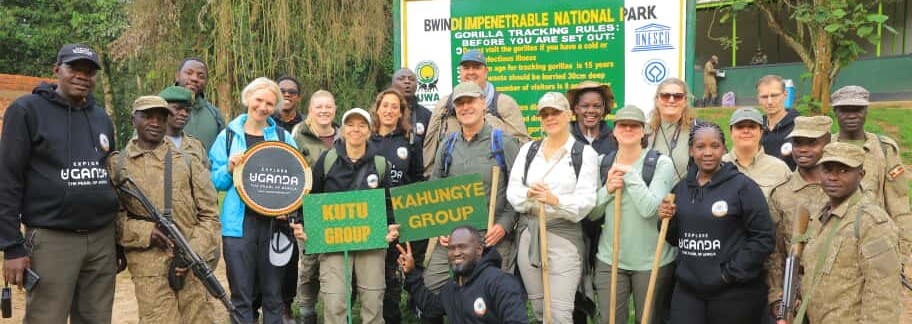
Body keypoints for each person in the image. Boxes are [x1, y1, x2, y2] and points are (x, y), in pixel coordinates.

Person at [0, 43, 120, 323]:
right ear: (57, 70)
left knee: (96, 318)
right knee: (46, 318)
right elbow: (7, 180)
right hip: (52, 239)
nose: (82, 75)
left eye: (89, 71)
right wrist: (11, 246)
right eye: (74, 68)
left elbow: (111, 176)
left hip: (101, 238)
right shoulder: (27, 111)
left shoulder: (101, 117)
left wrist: (117, 242)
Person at [109, 96, 221, 323]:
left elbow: (210, 214)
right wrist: (145, 231)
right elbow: (112, 219)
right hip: (148, 266)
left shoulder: (188, 160)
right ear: (133, 120)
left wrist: (193, 253)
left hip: (190, 262)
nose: (155, 123)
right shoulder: (118, 165)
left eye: (161, 118)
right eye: (147, 117)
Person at [422, 82, 521, 324]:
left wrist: (504, 226)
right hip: (453, 240)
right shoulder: (447, 145)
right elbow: (434, 194)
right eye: (460, 103)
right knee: (432, 289)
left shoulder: (503, 143)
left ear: (483, 104)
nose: (465, 107)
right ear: (455, 109)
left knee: (492, 299)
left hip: (491, 237)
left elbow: (518, 192)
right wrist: (441, 229)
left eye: (470, 101)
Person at [657, 121, 774, 324]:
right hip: (688, 291)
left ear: (724, 148)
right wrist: (665, 219)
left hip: (732, 292)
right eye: (700, 147)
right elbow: (675, 238)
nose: (708, 152)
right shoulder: (681, 189)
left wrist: (728, 274)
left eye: (715, 145)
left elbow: (763, 237)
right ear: (691, 151)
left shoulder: (743, 187)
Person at [209, 77, 298, 324]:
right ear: (248, 98)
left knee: (273, 296)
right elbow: (214, 182)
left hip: (274, 226)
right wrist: (228, 168)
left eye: (270, 103)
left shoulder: (283, 137)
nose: (263, 107)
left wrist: (288, 210)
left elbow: (297, 179)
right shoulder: (227, 137)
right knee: (241, 296)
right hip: (238, 226)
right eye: (259, 99)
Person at [507, 92, 598, 323]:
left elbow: (586, 202)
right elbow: (513, 192)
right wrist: (529, 194)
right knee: (539, 310)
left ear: (569, 114)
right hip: (529, 235)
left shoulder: (584, 153)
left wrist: (554, 200)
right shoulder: (528, 151)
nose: (550, 117)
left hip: (563, 236)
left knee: (558, 314)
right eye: (544, 114)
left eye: (555, 112)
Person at [307, 107, 401, 323]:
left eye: (362, 125)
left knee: (372, 300)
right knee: (335, 302)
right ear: (343, 129)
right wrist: (305, 225)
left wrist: (390, 227)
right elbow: (312, 198)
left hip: (372, 240)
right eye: (350, 124)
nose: (355, 129)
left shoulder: (380, 164)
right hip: (334, 242)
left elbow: (389, 204)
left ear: (369, 131)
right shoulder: (327, 160)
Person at [791, 142, 901, 323]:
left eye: (843, 171)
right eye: (827, 170)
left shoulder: (872, 223)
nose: (833, 177)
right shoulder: (820, 217)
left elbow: (884, 295)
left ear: (861, 175)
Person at [829, 85, 912, 320]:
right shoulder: (826, 149)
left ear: (866, 111)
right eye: (845, 110)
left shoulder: (883, 150)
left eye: (858, 109)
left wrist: (903, 254)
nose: (852, 115)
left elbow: (899, 205)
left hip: (876, 245)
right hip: (836, 251)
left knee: (879, 309)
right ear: (836, 112)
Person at [588, 105, 676, 324]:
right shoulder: (602, 163)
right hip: (610, 260)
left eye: (634, 125)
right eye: (622, 125)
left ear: (644, 131)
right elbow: (592, 213)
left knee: (648, 320)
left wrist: (629, 174)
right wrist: (607, 189)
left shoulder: (660, 163)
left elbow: (650, 209)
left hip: (652, 261)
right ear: (614, 132)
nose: (628, 129)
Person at [423, 49, 531, 179]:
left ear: (486, 71)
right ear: (460, 72)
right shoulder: (444, 105)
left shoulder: (504, 103)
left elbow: (523, 148)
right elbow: (429, 148)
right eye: (466, 68)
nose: (471, 72)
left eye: (476, 67)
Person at [766, 116, 833, 319]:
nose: (803, 149)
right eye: (797, 143)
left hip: (837, 296)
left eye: (812, 143)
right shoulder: (781, 194)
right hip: (795, 294)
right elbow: (774, 254)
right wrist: (778, 298)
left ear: (828, 144)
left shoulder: (841, 190)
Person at [368, 88, 424, 324]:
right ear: (377, 109)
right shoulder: (366, 139)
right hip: (369, 214)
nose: (389, 110)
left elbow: (417, 179)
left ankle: (392, 317)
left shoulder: (410, 141)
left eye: (395, 107)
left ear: (401, 112)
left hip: (396, 216)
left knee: (392, 275)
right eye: (385, 105)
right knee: (370, 272)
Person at [397, 225, 528, 324]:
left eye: (462, 247)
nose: (456, 253)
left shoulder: (500, 282)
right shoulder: (452, 287)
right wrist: (412, 272)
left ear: (479, 249)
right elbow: (430, 308)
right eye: (451, 248)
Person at [289, 89, 339, 323]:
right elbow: (291, 174)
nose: (324, 111)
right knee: (309, 266)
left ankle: (336, 308)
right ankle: (307, 311)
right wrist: (293, 213)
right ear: (310, 110)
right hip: (309, 210)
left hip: (339, 211)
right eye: (318, 107)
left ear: (335, 110)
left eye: (328, 106)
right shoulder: (298, 135)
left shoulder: (343, 136)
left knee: (334, 262)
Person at [722, 107, 791, 199]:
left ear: (761, 132)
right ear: (731, 132)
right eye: (740, 127)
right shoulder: (718, 166)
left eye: (752, 127)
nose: (746, 131)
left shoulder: (779, 169)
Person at [647, 78, 698, 183]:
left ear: (685, 101)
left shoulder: (698, 131)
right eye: (665, 96)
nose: (671, 100)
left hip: (687, 196)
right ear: (657, 100)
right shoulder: (645, 132)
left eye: (678, 96)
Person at [175, 57, 226, 152]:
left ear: (206, 82)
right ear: (177, 76)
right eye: (189, 73)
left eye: (201, 76)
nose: (194, 79)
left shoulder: (214, 114)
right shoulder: (160, 108)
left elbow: (223, 151)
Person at [159, 85, 210, 166]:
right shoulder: (150, 143)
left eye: (187, 110)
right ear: (163, 110)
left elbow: (206, 175)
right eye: (177, 108)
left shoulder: (196, 146)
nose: (184, 114)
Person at [757, 75, 800, 170]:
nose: (769, 101)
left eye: (774, 95)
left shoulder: (800, 125)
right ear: (758, 99)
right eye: (764, 97)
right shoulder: (754, 127)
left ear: (785, 95)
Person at [392, 68, 432, 155]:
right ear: (393, 84)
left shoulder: (426, 115)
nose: (407, 82)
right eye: (401, 78)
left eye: (411, 79)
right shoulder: (384, 113)